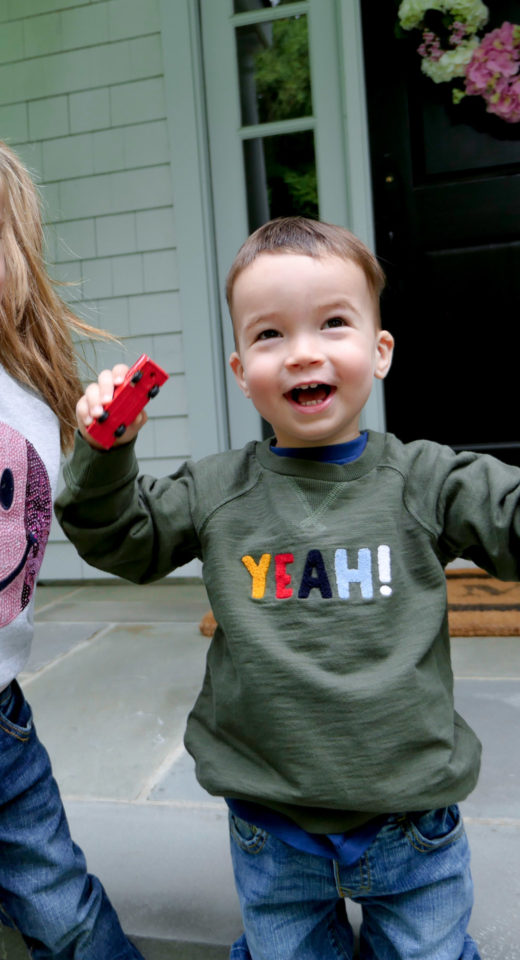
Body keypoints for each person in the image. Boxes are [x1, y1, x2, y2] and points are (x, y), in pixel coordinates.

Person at [56, 216, 520, 960]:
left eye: (333, 323)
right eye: (270, 335)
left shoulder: (426, 478)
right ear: (241, 372)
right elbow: (123, 541)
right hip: (271, 821)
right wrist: (105, 455)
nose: (303, 351)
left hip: (409, 818)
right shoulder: (216, 491)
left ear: (379, 350)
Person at [0, 140, 144, 960]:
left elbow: (97, 520)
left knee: (65, 914)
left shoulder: (25, 395)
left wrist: (108, 448)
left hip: (0, 726)